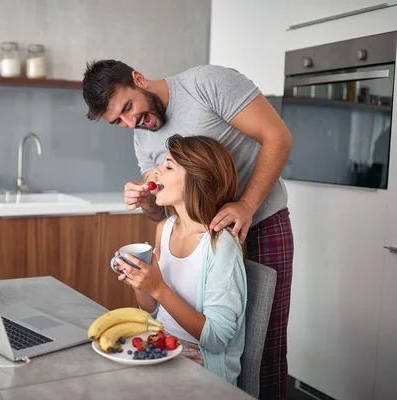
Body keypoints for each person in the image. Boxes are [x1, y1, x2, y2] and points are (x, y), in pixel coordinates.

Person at [83, 60, 294, 399]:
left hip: (261, 221)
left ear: (139, 79)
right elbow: (159, 212)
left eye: (128, 108)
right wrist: (144, 199)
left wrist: (246, 205)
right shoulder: (143, 138)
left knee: (263, 349)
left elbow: (278, 137)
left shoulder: (206, 83)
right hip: (196, 231)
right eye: (117, 122)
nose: (129, 123)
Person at [113, 134, 247, 385]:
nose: (155, 173)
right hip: (161, 342)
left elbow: (217, 339)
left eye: (168, 166)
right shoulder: (164, 228)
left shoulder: (221, 245)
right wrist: (140, 282)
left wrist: (158, 288)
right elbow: (152, 311)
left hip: (201, 362)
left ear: (197, 181)